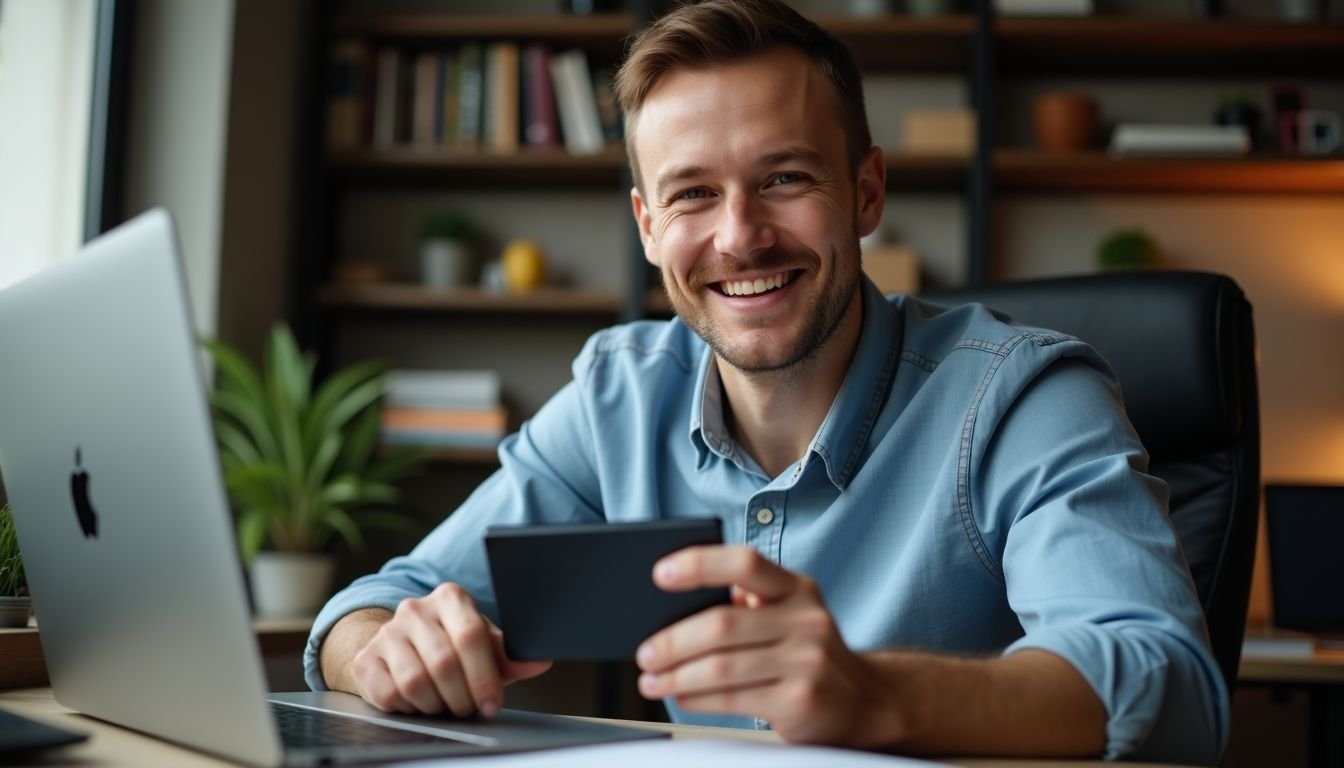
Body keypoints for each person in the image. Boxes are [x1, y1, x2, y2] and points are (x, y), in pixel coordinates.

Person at [304, 0, 1226, 762]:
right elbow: (371, 605)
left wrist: (875, 695)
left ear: (866, 193)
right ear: (647, 227)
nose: (740, 237)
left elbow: (1170, 687)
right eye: (693, 193)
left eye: (783, 178)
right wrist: (386, 651)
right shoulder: (618, 397)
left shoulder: (1024, 397)